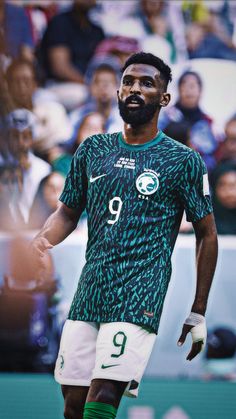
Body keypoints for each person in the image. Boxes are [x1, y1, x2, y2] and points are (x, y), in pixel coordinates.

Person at [30, 52, 218, 419]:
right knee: (73, 404)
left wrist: (199, 310)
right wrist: (43, 238)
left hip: (139, 291)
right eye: (129, 81)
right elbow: (68, 210)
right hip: (91, 288)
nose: (135, 88)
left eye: (147, 83)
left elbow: (207, 234)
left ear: (164, 99)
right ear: (117, 91)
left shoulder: (183, 161)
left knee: (104, 395)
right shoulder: (93, 149)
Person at [159, 70, 219, 173]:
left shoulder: (207, 122)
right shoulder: (166, 116)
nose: (188, 90)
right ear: (178, 89)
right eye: (184, 85)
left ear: (200, 91)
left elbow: (211, 157)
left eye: (192, 86)